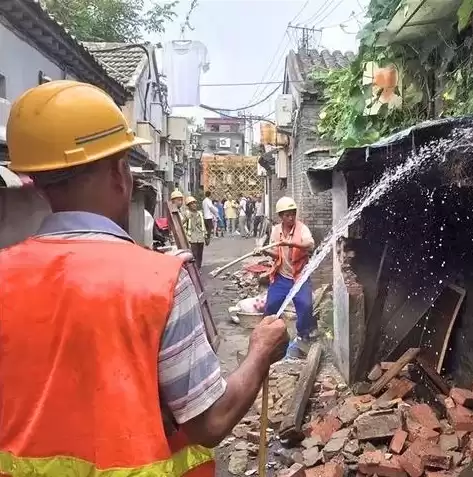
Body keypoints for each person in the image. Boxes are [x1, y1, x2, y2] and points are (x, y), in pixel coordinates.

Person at [0, 80, 289, 477]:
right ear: (121, 174)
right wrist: (260, 350)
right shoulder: (160, 281)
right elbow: (209, 424)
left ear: (33, 181)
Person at [255, 196, 316, 359]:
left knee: (305, 306)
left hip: (299, 277)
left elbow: (310, 245)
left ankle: (304, 336)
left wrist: (291, 244)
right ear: (280, 216)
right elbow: (277, 254)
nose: (291, 218)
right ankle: (271, 336)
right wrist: (265, 251)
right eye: (287, 215)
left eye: (293, 214)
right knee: (271, 306)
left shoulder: (302, 229)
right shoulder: (276, 231)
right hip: (282, 277)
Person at [183, 196, 207, 269]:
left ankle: (198, 268)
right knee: (194, 254)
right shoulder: (187, 214)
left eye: (194, 203)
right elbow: (181, 224)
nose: (194, 205)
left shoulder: (200, 213)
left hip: (200, 237)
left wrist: (206, 236)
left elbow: (203, 225)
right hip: (192, 237)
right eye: (191, 203)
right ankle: (194, 269)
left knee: (200, 254)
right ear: (188, 206)